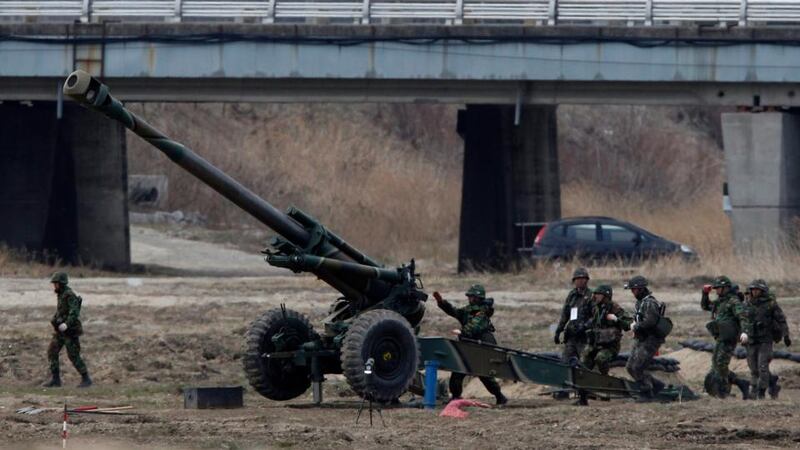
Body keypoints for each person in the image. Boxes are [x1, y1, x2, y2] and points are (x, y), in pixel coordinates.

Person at [433, 285, 507, 406]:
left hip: (482, 346)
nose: (469, 299)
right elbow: (455, 312)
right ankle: (456, 397)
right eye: (469, 296)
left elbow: (474, 326)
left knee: (484, 374)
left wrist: (463, 332)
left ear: (478, 298)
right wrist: (442, 303)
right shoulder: (469, 310)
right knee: (458, 371)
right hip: (470, 346)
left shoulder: (482, 312)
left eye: (472, 297)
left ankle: (500, 397)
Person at [739, 279, 791, 399]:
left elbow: (781, 320)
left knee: (762, 366)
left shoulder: (770, 304)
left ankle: (760, 392)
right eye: (753, 290)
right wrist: (742, 334)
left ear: (762, 291)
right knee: (753, 368)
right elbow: (742, 321)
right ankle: (755, 389)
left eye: (757, 290)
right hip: (751, 341)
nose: (755, 292)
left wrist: (786, 335)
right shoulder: (746, 304)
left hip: (765, 340)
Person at [700, 276, 751, 399]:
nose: (716, 291)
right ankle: (738, 384)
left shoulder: (733, 301)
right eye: (715, 289)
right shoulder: (720, 301)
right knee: (717, 365)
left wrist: (745, 332)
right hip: (721, 337)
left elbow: (743, 316)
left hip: (729, 338)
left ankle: (724, 391)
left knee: (720, 365)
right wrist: (705, 294)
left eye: (718, 288)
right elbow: (706, 306)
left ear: (725, 288)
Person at [44, 272, 92, 388]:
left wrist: (67, 324)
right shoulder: (61, 294)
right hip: (60, 331)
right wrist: (55, 319)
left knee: (73, 355)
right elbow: (61, 311)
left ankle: (86, 379)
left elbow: (74, 312)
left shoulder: (69, 295)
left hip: (70, 331)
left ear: (61, 283)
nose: (54, 286)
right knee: (52, 351)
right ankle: (56, 380)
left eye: (56, 283)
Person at [624, 275, 667, 400]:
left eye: (634, 290)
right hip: (641, 339)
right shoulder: (641, 303)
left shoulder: (650, 303)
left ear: (641, 289)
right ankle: (656, 385)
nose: (632, 292)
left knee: (638, 367)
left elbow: (650, 321)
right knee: (630, 367)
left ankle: (647, 391)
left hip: (650, 340)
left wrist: (636, 326)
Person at [581, 285, 632, 375]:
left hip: (610, 347)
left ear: (605, 296)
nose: (595, 296)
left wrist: (616, 319)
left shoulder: (615, 308)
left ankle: (605, 378)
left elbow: (629, 324)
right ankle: (585, 377)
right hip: (596, 344)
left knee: (600, 358)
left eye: (598, 294)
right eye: (595, 294)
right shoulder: (596, 308)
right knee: (584, 357)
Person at [554, 268, 594, 365]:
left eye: (582, 278)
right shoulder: (572, 295)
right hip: (571, 336)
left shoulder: (591, 296)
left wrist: (584, 326)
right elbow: (565, 314)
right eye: (577, 279)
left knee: (585, 364)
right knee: (565, 362)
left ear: (587, 280)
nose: (580, 281)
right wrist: (559, 330)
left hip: (584, 337)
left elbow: (596, 317)